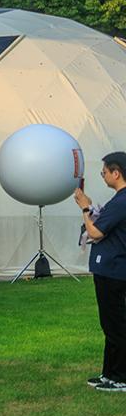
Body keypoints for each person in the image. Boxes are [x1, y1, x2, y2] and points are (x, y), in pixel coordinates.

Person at [74, 151, 126, 393]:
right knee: (110, 324)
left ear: (117, 173)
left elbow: (96, 233)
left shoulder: (122, 201)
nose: (103, 175)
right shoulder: (118, 200)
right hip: (109, 269)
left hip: (114, 270)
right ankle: (109, 374)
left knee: (115, 324)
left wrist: (85, 209)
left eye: (104, 171)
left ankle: (120, 377)